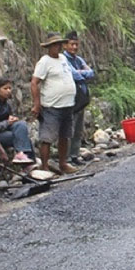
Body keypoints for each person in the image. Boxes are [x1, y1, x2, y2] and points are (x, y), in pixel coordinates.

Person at [30, 31, 78, 175]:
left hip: (67, 104)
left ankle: (63, 163)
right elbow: (34, 82)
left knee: (65, 135)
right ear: (49, 47)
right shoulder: (44, 61)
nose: (58, 47)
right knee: (47, 137)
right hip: (52, 105)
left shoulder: (63, 58)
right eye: (54, 45)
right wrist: (37, 104)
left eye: (59, 44)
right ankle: (44, 167)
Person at [0, 77, 35, 164]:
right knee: (20, 138)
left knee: (21, 125)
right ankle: (27, 164)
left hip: (3, 130)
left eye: (9, 88)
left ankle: (25, 158)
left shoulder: (6, 103)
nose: (8, 91)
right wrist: (8, 122)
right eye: (5, 88)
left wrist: (13, 120)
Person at [63, 31, 95, 165]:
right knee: (70, 129)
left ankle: (75, 155)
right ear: (65, 45)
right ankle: (66, 158)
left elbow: (92, 73)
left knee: (78, 129)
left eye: (76, 44)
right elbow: (74, 75)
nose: (74, 47)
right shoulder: (64, 59)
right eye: (72, 44)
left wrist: (83, 73)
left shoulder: (78, 59)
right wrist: (84, 73)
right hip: (71, 100)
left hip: (81, 100)